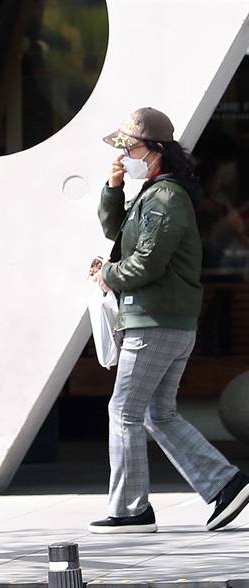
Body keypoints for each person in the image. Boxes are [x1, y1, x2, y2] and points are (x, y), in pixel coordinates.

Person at [89, 108, 249, 534]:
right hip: (165, 320)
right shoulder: (157, 192)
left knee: (123, 410)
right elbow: (118, 234)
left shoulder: (166, 197)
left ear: (155, 150)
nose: (124, 155)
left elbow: (146, 264)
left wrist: (107, 275)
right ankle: (225, 483)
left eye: (131, 148)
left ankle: (130, 511)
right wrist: (113, 188)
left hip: (156, 321)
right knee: (157, 414)